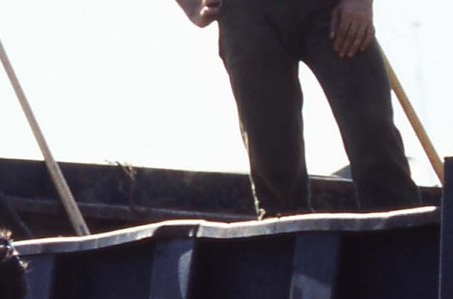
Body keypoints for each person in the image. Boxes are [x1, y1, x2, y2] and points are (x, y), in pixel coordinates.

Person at [175, 0, 421, 217]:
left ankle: (401, 238)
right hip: (248, 15)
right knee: (271, 151)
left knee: (372, 132)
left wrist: (360, 2)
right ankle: (285, 245)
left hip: (331, 9)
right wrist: (192, 4)